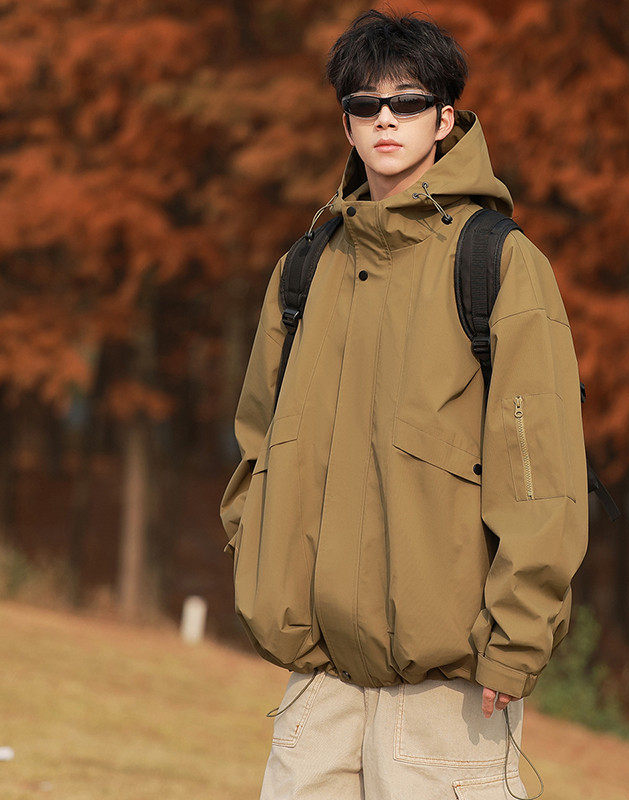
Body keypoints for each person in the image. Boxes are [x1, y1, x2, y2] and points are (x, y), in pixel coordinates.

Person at [219, 8, 588, 799]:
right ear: (346, 124)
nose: (385, 119)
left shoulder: (498, 263)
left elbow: (541, 475)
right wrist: (261, 565)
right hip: (317, 686)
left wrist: (517, 639)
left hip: (450, 692)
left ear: (445, 119)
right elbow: (258, 437)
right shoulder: (306, 266)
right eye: (365, 104)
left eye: (409, 102)